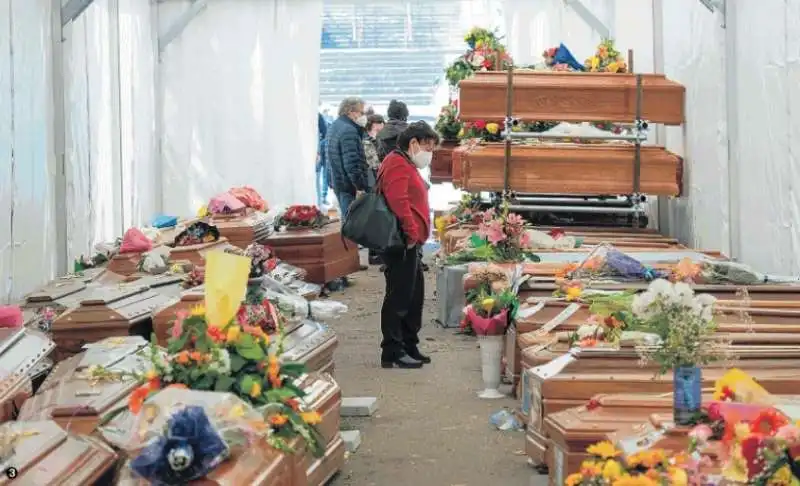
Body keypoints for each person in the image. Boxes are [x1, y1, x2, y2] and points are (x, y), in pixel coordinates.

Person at [377, 121, 439, 369]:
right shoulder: (396, 163)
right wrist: (412, 233)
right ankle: (392, 349)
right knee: (399, 297)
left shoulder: (405, 162)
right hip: (402, 242)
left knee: (414, 297)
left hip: (411, 243)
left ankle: (409, 343)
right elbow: (399, 201)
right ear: (413, 143)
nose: (429, 153)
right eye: (428, 146)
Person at [326, 97, 370, 218]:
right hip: (349, 187)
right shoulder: (349, 130)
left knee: (347, 222)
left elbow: (327, 156)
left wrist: (329, 180)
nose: (364, 116)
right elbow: (351, 164)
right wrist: (361, 186)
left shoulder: (335, 126)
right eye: (361, 112)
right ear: (351, 112)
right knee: (353, 226)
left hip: (338, 183)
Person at [363, 114, 385, 184]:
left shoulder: (383, 142)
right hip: (369, 180)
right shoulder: (364, 143)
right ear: (368, 130)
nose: (380, 134)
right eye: (377, 131)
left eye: (382, 131)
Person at [316, 112, 330, 208]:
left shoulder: (317, 116)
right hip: (322, 149)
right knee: (323, 175)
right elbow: (325, 132)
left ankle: (321, 198)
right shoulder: (318, 116)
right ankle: (322, 198)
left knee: (320, 175)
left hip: (320, 149)